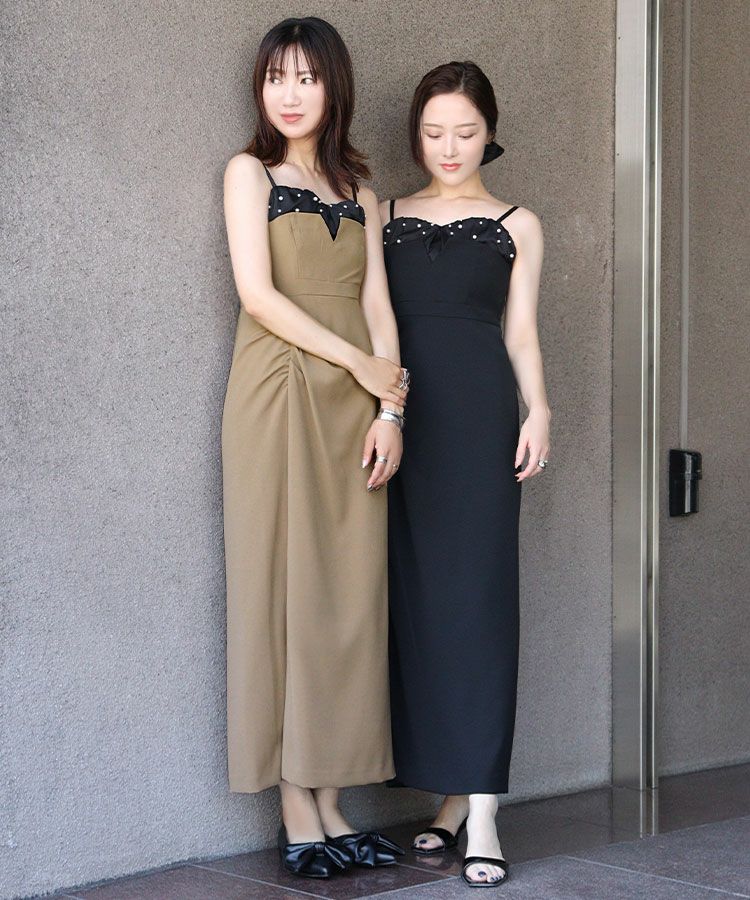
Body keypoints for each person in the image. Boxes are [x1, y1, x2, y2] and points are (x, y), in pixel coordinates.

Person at [222, 16, 407, 879]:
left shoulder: (361, 191)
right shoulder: (248, 173)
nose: (289, 94)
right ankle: (297, 804)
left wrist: (390, 408)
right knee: (287, 592)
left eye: (306, 77)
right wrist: (358, 364)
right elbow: (257, 295)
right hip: (279, 394)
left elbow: (379, 309)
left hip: (354, 411)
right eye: (275, 78)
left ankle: (331, 799)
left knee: (348, 602)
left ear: (335, 86)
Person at [380, 60, 551, 888]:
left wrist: (539, 409)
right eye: (434, 132)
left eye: (466, 132)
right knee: (417, 608)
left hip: (482, 423)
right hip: (403, 425)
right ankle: (448, 798)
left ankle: (482, 810)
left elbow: (520, 332)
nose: (449, 148)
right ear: (417, 134)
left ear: (490, 133)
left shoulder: (518, 223)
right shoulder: (383, 215)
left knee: (480, 606)